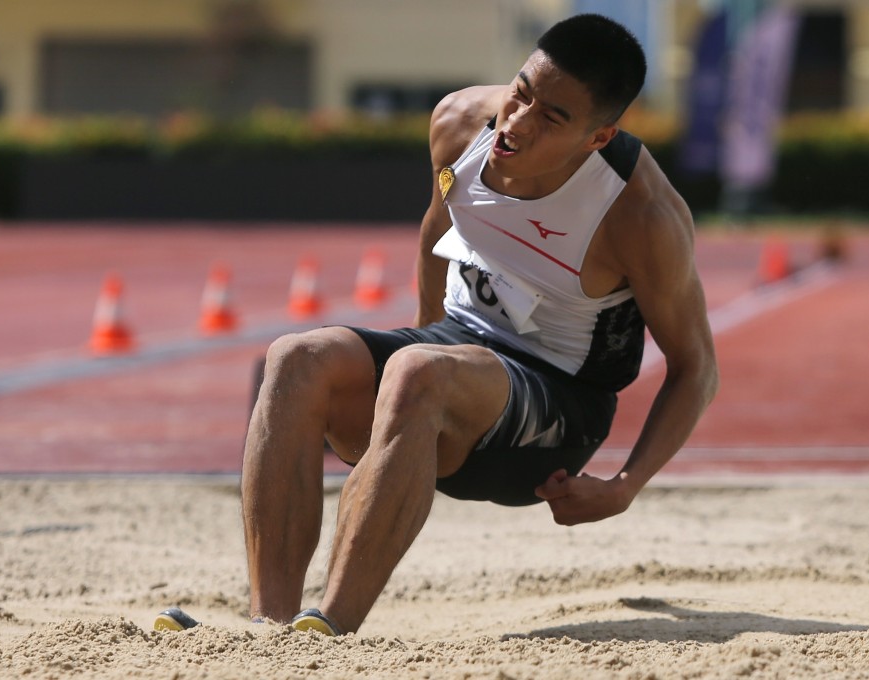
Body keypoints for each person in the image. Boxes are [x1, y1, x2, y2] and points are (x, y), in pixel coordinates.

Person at [154, 13, 718, 636]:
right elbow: (436, 224)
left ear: (598, 136)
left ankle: (328, 635)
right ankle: (269, 625)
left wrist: (623, 487)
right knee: (294, 358)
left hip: (558, 412)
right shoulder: (458, 126)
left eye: (551, 117)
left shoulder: (639, 215)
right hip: (454, 354)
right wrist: (414, 370)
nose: (517, 124)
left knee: (419, 371)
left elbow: (697, 370)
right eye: (521, 93)